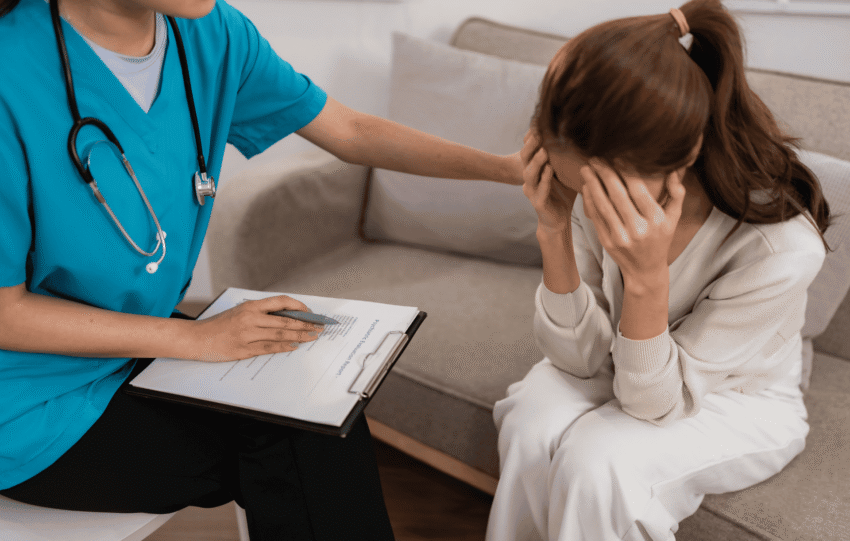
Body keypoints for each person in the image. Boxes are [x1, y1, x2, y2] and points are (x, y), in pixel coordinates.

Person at [0, 0, 524, 539]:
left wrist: (509, 171)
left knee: (319, 410)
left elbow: (350, 129)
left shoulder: (210, 35)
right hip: (25, 401)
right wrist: (200, 341)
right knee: (296, 442)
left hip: (126, 347)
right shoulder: (10, 72)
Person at [487, 1, 832, 540]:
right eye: (581, 186)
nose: (594, 204)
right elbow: (577, 360)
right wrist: (553, 229)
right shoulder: (585, 186)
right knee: (531, 421)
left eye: (611, 189)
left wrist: (646, 277)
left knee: (600, 464)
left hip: (736, 398)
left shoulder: (780, 246)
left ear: (687, 151)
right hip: (624, 366)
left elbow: (653, 403)